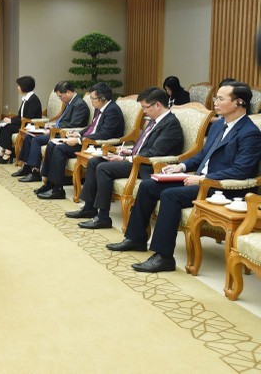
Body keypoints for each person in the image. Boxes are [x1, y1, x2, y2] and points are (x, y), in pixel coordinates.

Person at [107, 81, 261, 273]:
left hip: (222, 188)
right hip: (201, 180)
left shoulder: (250, 133)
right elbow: (202, 155)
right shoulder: (220, 125)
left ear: (239, 102)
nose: (215, 102)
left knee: (170, 195)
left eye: (220, 98)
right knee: (148, 186)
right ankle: (136, 239)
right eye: (215, 98)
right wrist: (181, 166)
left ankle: (163, 257)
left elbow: (242, 171)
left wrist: (203, 179)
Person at [66, 87, 184, 228]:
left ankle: (103, 217)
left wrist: (125, 159)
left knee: (104, 168)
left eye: (145, 107)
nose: (144, 111)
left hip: (146, 166)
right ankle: (89, 208)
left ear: (157, 105)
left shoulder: (171, 125)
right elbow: (144, 145)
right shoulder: (155, 120)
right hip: (136, 159)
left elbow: (154, 153)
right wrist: (128, 151)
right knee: (95, 161)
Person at [31, 82, 124, 199]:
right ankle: (49, 183)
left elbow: (105, 134)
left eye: (93, 98)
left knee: (60, 149)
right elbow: (92, 126)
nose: (91, 101)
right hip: (87, 140)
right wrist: (77, 133)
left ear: (103, 98)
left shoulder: (112, 111)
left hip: (97, 145)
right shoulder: (99, 107)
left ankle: (58, 189)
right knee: (52, 143)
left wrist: (79, 139)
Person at [13, 81, 89, 181]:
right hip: (56, 130)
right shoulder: (70, 102)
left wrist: (53, 129)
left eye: (60, 96)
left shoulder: (79, 105)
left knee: (36, 140)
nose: (60, 99)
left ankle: (35, 172)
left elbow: (74, 124)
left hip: (64, 134)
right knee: (29, 136)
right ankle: (27, 167)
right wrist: (52, 125)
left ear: (68, 92)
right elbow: (63, 119)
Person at [0, 76, 42, 164]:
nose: (17, 88)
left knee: (7, 128)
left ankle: (8, 152)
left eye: (19, 86)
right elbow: (21, 116)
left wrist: (11, 121)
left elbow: (28, 118)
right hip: (23, 122)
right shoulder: (26, 98)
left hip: (30, 125)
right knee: (4, 126)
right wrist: (10, 119)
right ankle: (4, 149)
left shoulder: (33, 100)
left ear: (25, 87)